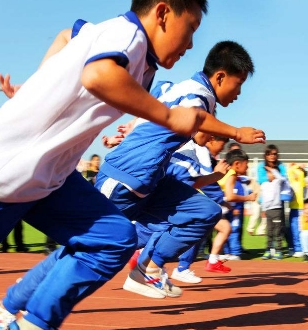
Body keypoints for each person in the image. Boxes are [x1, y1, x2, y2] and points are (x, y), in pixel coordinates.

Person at [0, 1, 210, 330]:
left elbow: (67, 35)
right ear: (163, 13)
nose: (191, 44)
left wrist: (39, 86)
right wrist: (168, 116)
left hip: (48, 179)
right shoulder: (127, 34)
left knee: (113, 238)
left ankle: (33, 328)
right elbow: (98, 75)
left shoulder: (131, 52)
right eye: (192, 27)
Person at [93, 40, 262, 298]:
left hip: (149, 181)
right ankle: (16, 305)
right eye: (238, 84)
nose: (239, 93)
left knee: (204, 210)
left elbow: (152, 102)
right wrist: (237, 132)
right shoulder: (199, 95)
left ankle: (148, 270)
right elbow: (193, 116)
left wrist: (132, 127)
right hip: (123, 179)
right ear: (220, 77)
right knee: (90, 252)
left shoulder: (178, 87)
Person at [166, 135, 233, 282]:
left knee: (203, 229)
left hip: (180, 196)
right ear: (212, 139)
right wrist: (220, 200)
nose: (222, 148)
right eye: (221, 144)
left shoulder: (200, 151)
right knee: (198, 227)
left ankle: (176, 266)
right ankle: (178, 267)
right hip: (180, 197)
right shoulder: (200, 151)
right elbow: (204, 181)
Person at [222, 149, 258, 259]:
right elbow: (231, 196)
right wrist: (248, 198)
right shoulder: (232, 175)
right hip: (226, 208)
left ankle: (225, 253)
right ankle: (234, 252)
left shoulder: (226, 173)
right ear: (237, 164)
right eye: (246, 164)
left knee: (225, 230)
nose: (247, 167)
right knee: (233, 230)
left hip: (222, 207)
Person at [260, 165, 290, 260]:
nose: (269, 174)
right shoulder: (264, 184)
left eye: (271, 173)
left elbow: (281, 178)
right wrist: (263, 209)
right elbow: (264, 198)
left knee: (278, 232)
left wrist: (272, 169)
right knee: (269, 232)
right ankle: (268, 250)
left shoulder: (277, 182)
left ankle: (279, 251)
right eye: (268, 173)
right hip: (268, 211)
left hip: (277, 210)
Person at [288, 163, 307, 257]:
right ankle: (294, 247)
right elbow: (289, 172)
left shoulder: (300, 181)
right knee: (293, 229)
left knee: (297, 229)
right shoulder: (294, 181)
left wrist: (295, 166)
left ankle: (299, 249)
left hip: (299, 208)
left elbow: (290, 170)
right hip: (293, 207)